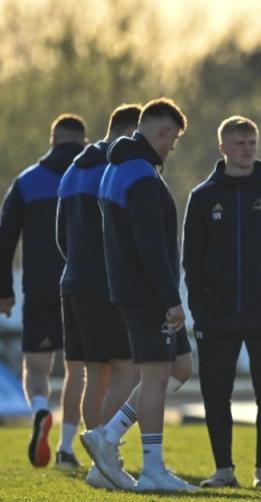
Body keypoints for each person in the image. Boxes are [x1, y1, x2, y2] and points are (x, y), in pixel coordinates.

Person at [183, 115, 261, 489]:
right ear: (222, 147)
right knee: (216, 395)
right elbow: (191, 260)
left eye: (251, 142)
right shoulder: (203, 197)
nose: (246, 149)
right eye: (239, 143)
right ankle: (224, 470)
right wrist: (200, 312)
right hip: (216, 317)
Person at [80, 97, 195, 493]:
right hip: (147, 292)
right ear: (163, 131)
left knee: (180, 367)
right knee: (156, 375)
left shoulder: (120, 168)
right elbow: (149, 244)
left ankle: (108, 437)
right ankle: (152, 469)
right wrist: (170, 297)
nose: (171, 150)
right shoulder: (140, 174)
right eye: (172, 141)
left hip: (138, 288)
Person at [56, 104, 143, 488]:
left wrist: (79, 264)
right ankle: (105, 456)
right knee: (128, 369)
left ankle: (99, 465)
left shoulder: (73, 168)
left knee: (96, 374)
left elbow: (61, 235)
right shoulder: (118, 165)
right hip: (107, 282)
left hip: (73, 280)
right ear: (130, 132)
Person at [0, 114, 87, 468]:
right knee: (78, 368)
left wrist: (4, 291)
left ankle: (39, 409)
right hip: (83, 286)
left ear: (52, 140)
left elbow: (5, 239)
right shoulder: (91, 176)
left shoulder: (27, 181)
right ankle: (66, 448)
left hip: (38, 286)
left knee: (36, 367)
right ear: (83, 142)